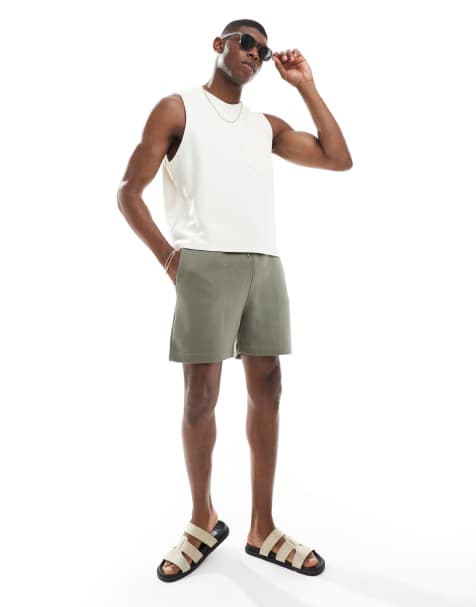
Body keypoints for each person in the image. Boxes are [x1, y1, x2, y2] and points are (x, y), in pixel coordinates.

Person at [117, 18, 352, 582]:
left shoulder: (263, 126)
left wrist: (306, 85)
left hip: (264, 264)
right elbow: (128, 193)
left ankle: (262, 528)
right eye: (247, 42)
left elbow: (337, 157)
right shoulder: (177, 109)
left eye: (264, 51)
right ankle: (202, 520)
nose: (255, 53)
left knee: (268, 388)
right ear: (219, 44)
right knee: (200, 396)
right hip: (204, 263)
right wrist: (169, 258)